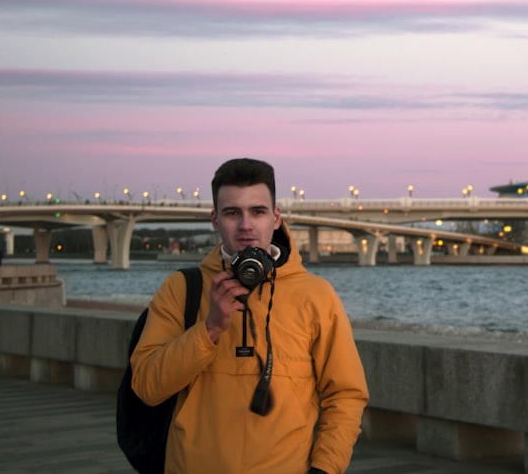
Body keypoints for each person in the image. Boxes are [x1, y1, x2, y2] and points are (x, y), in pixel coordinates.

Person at [130, 158, 369, 474]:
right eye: (232, 213)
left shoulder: (316, 295)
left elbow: (346, 395)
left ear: (276, 217)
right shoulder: (181, 289)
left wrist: (325, 468)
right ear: (214, 219)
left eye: (258, 211)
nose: (246, 225)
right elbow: (147, 386)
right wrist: (209, 328)